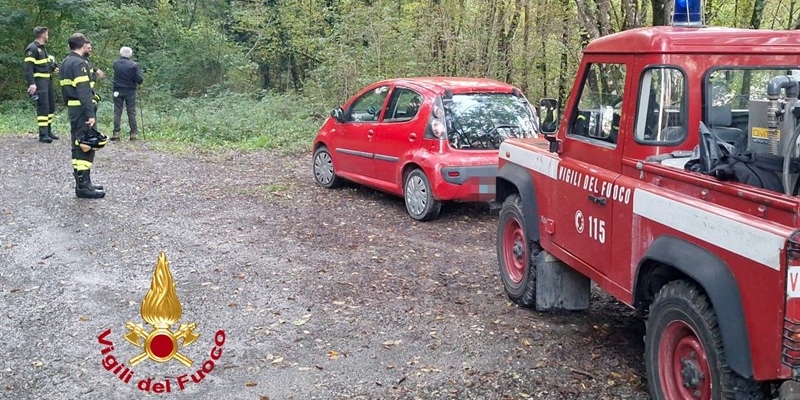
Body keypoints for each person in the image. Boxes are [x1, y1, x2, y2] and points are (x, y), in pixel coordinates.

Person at [60, 33, 108, 199]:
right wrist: (90, 113)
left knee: (78, 144)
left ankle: (83, 183)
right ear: (81, 45)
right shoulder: (79, 63)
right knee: (86, 144)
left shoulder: (66, 62)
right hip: (81, 109)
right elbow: (83, 90)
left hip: (73, 109)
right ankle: (84, 186)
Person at [23, 26, 59, 143]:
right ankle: (43, 134)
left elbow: (43, 64)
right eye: (47, 34)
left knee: (50, 107)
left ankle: (48, 131)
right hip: (39, 82)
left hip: (47, 81)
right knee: (43, 107)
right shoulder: (32, 48)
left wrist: (52, 67)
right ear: (43, 34)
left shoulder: (43, 48)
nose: (48, 36)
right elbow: (28, 69)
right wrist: (32, 84)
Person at [111, 46, 143, 141]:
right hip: (130, 91)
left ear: (121, 53)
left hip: (117, 90)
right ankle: (133, 134)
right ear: (130, 54)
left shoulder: (116, 63)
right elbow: (139, 79)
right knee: (131, 112)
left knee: (117, 111)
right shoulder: (134, 65)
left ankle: (116, 133)